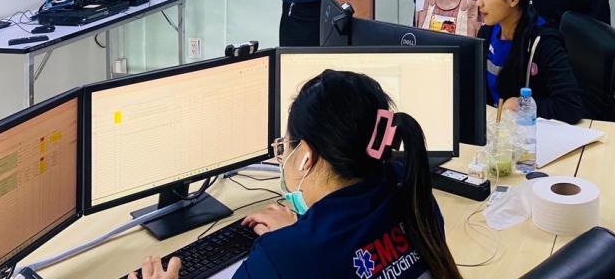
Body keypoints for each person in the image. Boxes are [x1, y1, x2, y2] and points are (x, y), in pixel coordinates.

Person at [130, 70, 462, 279]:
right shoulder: (411, 192)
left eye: (285, 145)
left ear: (305, 155)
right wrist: (302, 232)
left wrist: (294, 243)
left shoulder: (282, 259)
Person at [475, 0, 584, 124]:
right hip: (496, 126)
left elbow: (569, 107)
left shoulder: (544, 42)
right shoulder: (486, 32)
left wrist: (521, 106)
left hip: (529, 132)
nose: (478, 2)